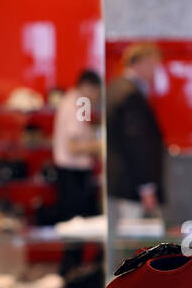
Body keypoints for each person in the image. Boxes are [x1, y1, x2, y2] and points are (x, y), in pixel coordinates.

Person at [106, 43, 165, 230]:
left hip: (121, 181)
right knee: (133, 240)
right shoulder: (131, 94)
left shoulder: (116, 87)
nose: (154, 71)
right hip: (132, 184)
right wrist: (146, 187)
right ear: (140, 63)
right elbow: (136, 143)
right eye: (153, 65)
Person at [50, 69, 102, 221]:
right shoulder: (75, 105)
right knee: (74, 226)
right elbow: (73, 148)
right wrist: (101, 146)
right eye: (96, 92)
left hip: (73, 173)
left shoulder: (76, 101)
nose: (96, 97)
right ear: (87, 86)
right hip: (72, 174)